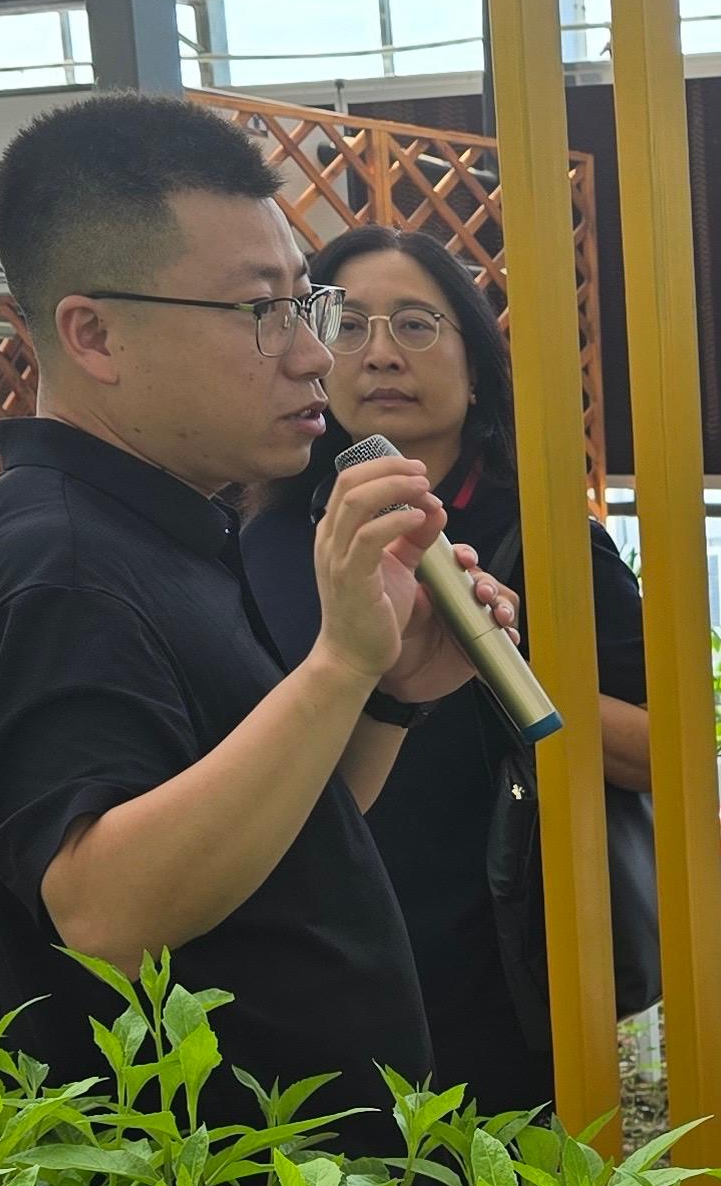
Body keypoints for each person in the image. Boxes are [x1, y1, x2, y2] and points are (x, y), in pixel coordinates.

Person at [0, 95, 514, 1152]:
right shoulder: (59, 561)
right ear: (94, 332)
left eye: (307, 303)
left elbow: (281, 831)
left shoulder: (168, 522)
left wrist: (385, 687)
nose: (310, 357)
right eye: (262, 312)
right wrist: (335, 664)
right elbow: (106, 909)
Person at [239, 228, 652, 1119]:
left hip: (487, 973)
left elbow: (665, 750)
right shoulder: (264, 533)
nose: (381, 352)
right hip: (303, 958)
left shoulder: (544, 538)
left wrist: (489, 655)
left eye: (419, 325)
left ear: (475, 366)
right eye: (347, 325)